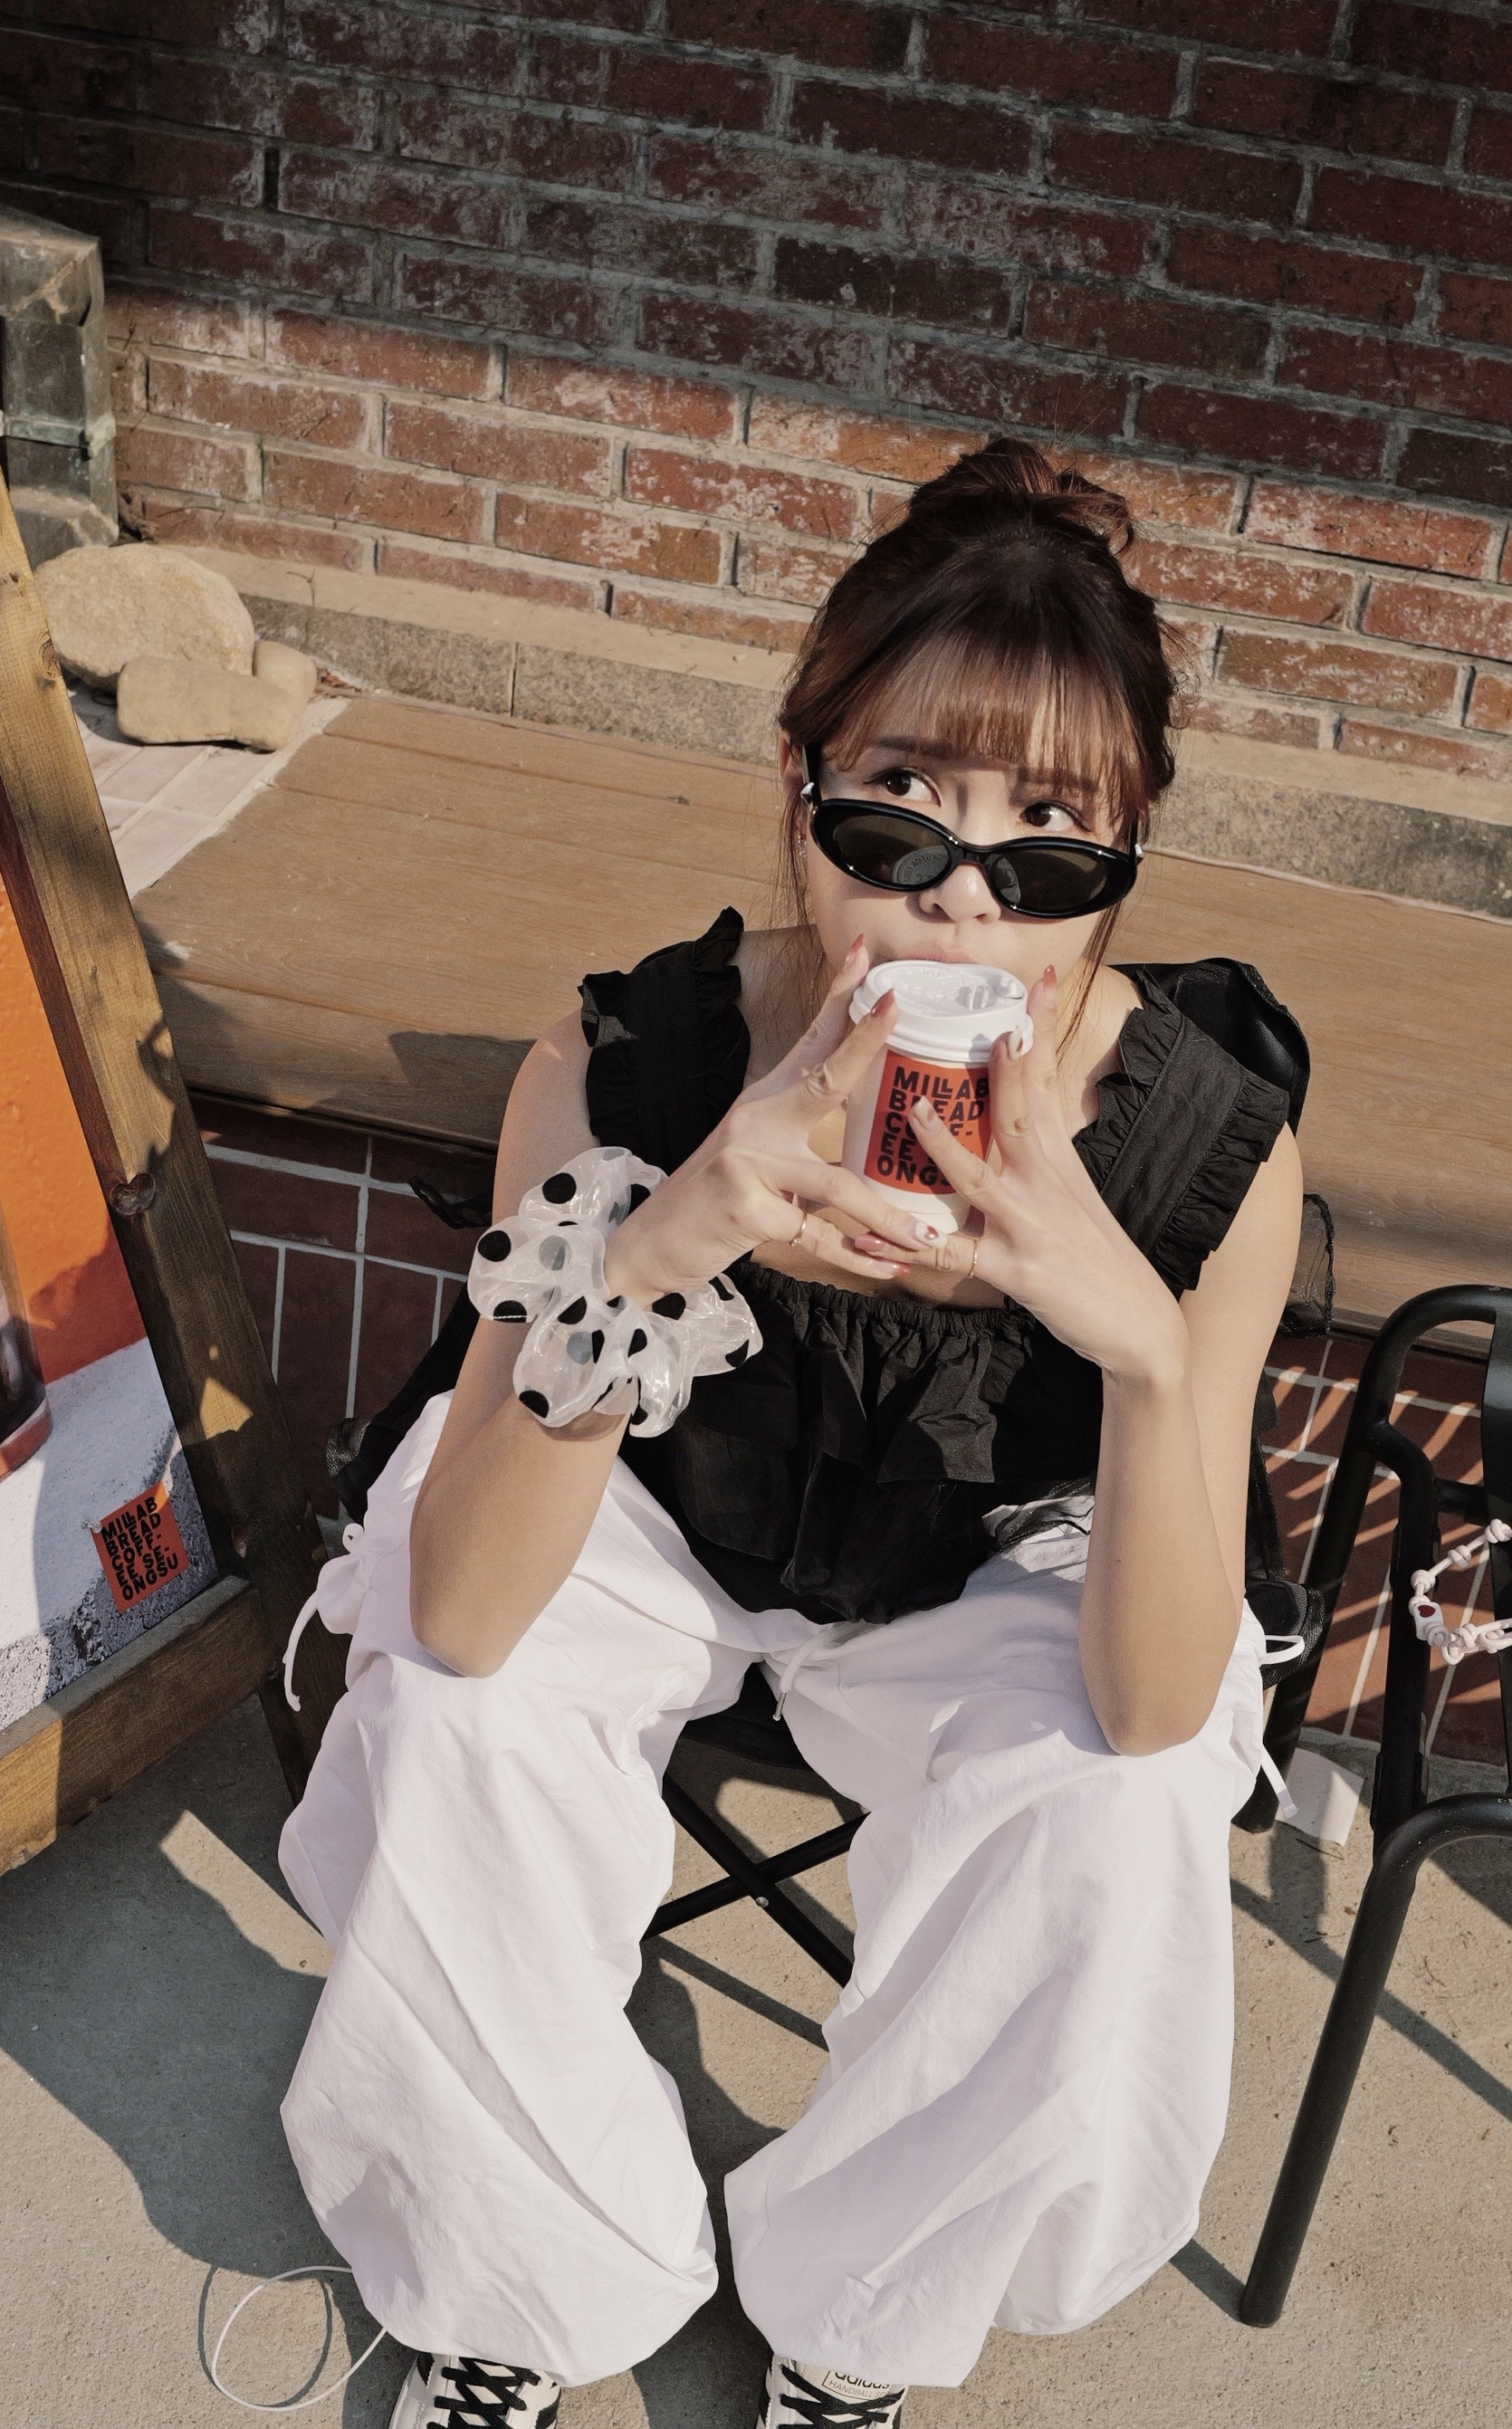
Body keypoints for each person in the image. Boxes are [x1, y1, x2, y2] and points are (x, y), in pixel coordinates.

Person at [276, 440, 1304, 2429]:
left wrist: (1136, 1345)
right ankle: (520, 2271)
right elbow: (469, 1610)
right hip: (657, 1513)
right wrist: (668, 1233)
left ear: (1126, 863)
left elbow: (1155, 1703)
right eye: (893, 810)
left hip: (980, 1566)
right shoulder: (626, 1063)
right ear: (796, 783)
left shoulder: (1201, 1147)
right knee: (461, 1706)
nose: (962, 902)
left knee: (1118, 1806)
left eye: (1049, 845)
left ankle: (858, 2311)